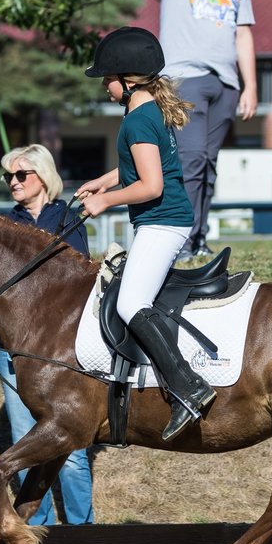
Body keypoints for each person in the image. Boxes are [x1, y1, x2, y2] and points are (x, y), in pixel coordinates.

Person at [76, 27, 215, 442]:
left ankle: (188, 386)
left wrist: (107, 201)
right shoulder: (147, 112)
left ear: (129, 80)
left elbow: (150, 186)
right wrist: (103, 181)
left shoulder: (138, 119)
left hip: (162, 221)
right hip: (162, 221)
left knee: (131, 303)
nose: (104, 84)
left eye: (108, 77)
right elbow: (139, 166)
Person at [141, 0, 257, 264]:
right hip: (183, 78)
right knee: (190, 160)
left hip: (224, 82)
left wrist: (250, 85)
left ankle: (199, 238)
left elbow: (243, 34)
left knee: (208, 163)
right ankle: (182, 240)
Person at [0, 144, 95, 524]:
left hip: (60, 353)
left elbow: (81, 281)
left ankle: (83, 532)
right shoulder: (7, 226)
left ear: (43, 177)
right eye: (8, 176)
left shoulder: (67, 220)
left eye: (21, 174)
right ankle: (36, 531)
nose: (13, 182)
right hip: (15, 351)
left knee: (71, 452)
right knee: (25, 440)